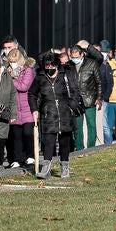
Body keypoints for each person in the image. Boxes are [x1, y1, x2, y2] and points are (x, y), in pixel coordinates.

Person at [35, 50, 83, 179]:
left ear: (57, 65)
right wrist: (35, 109)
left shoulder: (66, 74)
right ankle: (46, 167)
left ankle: (64, 167)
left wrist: (71, 104)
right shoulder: (40, 76)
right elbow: (32, 94)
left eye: (52, 66)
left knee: (65, 141)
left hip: (65, 111)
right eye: (47, 66)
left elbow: (74, 91)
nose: (49, 68)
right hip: (48, 112)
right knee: (49, 141)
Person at [68, 41, 104, 151]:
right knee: (77, 127)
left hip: (89, 99)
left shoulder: (92, 63)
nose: (74, 59)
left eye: (76, 57)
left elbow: (99, 82)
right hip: (75, 101)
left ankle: (91, 148)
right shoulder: (69, 65)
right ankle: (79, 148)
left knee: (91, 125)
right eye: (72, 57)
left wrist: (98, 98)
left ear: (82, 54)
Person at [6, 48, 37, 170]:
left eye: (14, 61)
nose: (12, 63)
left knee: (27, 133)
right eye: (10, 61)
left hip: (26, 107)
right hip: (13, 107)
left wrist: (11, 80)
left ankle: (30, 156)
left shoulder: (27, 70)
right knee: (16, 136)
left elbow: (24, 86)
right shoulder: (7, 71)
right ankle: (17, 159)